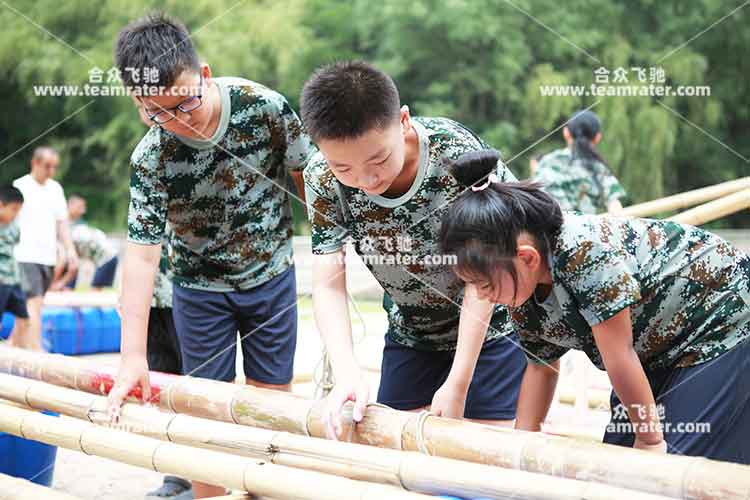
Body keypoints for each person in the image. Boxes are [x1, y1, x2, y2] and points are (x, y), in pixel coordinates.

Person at [106, 13, 315, 498]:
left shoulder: (262, 107)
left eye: (186, 103)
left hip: (270, 276)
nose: (179, 120)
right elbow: (140, 258)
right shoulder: (151, 158)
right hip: (199, 291)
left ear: (203, 73)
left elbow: (308, 178)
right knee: (203, 413)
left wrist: (329, 249)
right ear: (139, 105)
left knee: (271, 409)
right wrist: (132, 356)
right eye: (160, 112)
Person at [439, 149, 750, 463]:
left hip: (722, 318)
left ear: (527, 258)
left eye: (485, 284)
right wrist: (523, 442)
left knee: (677, 464)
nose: (481, 296)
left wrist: (650, 439)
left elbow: (620, 356)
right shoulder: (521, 289)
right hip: (656, 349)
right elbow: (541, 366)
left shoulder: (584, 254)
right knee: (617, 466)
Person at [300, 61, 527, 439]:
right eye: (345, 169)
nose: (367, 180)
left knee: (485, 460)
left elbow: (485, 273)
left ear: (403, 120)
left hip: (492, 326)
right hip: (413, 332)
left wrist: (459, 382)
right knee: (393, 456)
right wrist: (347, 372)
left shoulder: (453, 152)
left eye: (379, 160)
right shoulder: (321, 178)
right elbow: (327, 284)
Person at [12, 147, 78, 350]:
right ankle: (36, 351)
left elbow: (62, 223)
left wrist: (70, 250)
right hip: (25, 254)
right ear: (35, 163)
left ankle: (14, 348)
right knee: (35, 303)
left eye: (54, 167)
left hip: (47, 256)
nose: (51, 171)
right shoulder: (20, 186)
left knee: (28, 307)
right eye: (47, 166)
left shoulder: (56, 189)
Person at [145, 234, 192, 500]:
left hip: (189, 295)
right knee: (163, 390)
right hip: (151, 298)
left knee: (195, 388)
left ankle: (208, 474)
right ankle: (175, 472)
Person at [533, 110, 625, 214]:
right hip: (584, 228)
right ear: (597, 137)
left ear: (566, 132)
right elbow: (614, 205)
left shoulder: (547, 162)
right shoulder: (599, 168)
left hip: (550, 226)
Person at [53, 195, 119, 290]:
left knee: (95, 292)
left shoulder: (75, 227)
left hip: (107, 257)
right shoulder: (64, 226)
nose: (83, 211)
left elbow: (70, 262)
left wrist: (57, 284)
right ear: (70, 205)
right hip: (108, 255)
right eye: (80, 207)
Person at [0, 186, 29, 347]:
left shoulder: (14, 227)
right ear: (1, 205)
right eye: (14, 209)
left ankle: (17, 351)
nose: (16, 214)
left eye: (19, 211)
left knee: (24, 318)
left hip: (13, 279)